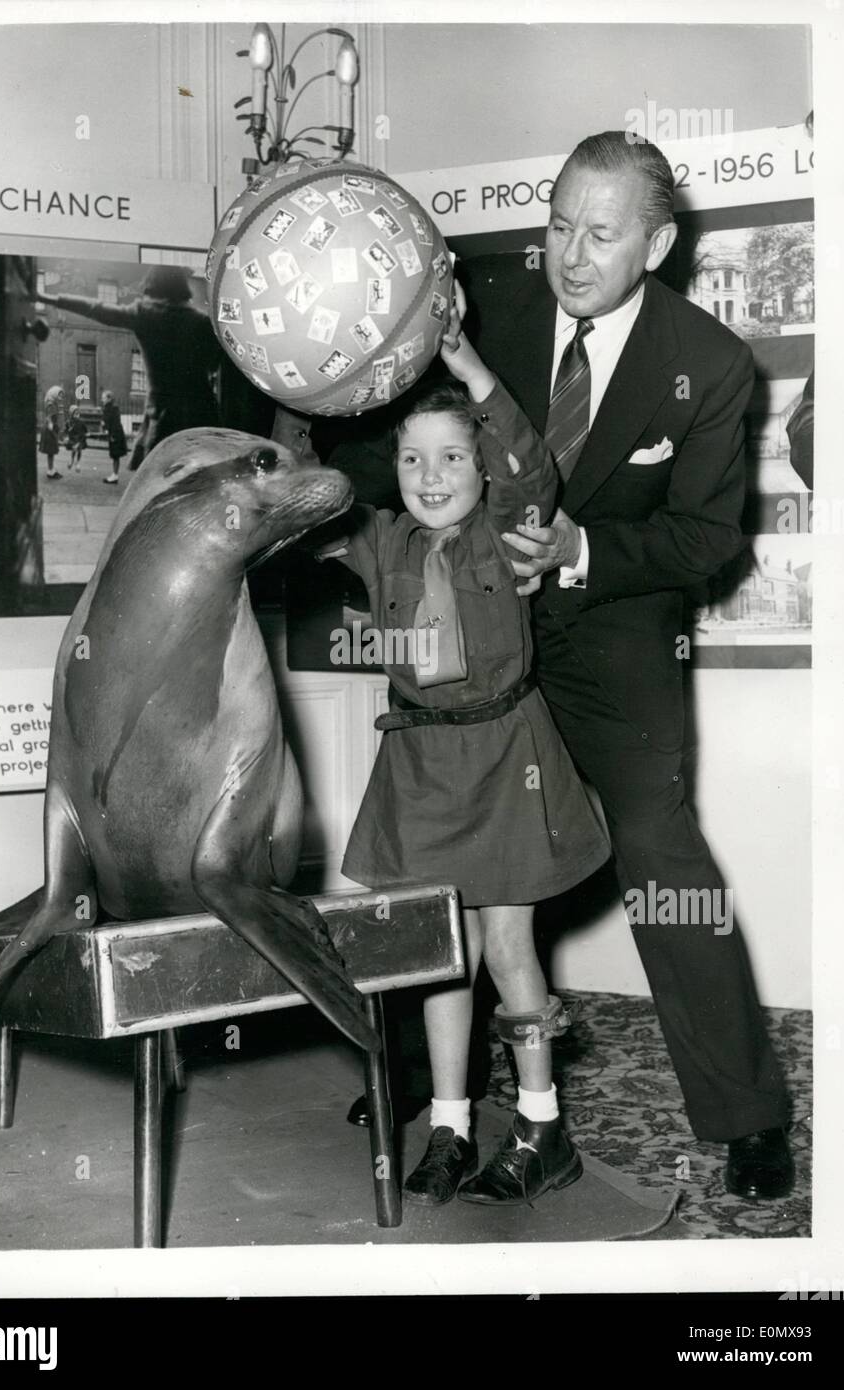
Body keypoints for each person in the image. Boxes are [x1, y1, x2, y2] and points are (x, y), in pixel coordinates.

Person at [460, 131, 793, 1200]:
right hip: (481, 623)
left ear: (651, 245)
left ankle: (744, 1114)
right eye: (556, 225)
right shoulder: (489, 317)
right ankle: (439, 1082)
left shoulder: (710, 361)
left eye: (598, 235)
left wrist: (580, 550)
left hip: (615, 632)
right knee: (455, 844)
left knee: (660, 858)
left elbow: (707, 541)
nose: (569, 254)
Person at [274, 286, 609, 1207]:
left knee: (506, 947)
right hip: (420, 767)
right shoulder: (377, 540)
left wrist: (465, 366)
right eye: (414, 458)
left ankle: (543, 1124)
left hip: (506, 756)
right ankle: (453, 1124)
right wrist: (299, 386)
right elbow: (293, 492)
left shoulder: (508, 536)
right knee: (439, 955)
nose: (431, 475)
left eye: (453, 456)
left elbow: (532, 470)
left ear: (479, 467)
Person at [34, 266, 222, 472]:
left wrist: (49, 298)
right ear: (182, 288)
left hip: (163, 415)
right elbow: (215, 366)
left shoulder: (145, 313)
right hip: (203, 413)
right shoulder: (203, 322)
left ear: (153, 286)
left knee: (159, 480)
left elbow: (96, 308)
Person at [100, 391, 127, 485]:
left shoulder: (112, 409)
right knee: (115, 455)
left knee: (115, 455)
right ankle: (114, 475)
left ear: (109, 399)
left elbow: (115, 423)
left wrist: (113, 435)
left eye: (103, 398)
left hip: (115, 435)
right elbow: (107, 422)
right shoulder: (109, 408)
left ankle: (115, 476)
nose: (102, 400)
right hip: (114, 434)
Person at [65, 405, 87, 472]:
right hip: (73, 439)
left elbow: (85, 430)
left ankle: (77, 462)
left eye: (78, 414)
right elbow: (67, 430)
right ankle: (72, 460)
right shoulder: (69, 422)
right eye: (75, 414)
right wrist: (66, 437)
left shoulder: (81, 422)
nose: (77, 416)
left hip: (80, 438)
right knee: (74, 449)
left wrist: (86, 434)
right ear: (71, 414)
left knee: (79, 449)